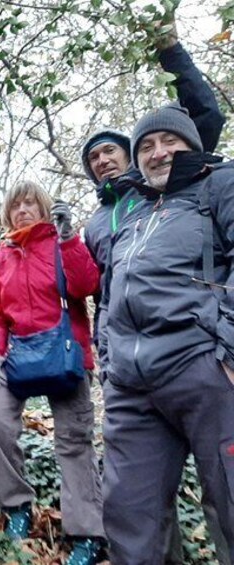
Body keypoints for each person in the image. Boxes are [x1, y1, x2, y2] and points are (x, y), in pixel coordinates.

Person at [79, 23, 228, 563]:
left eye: (170, 141)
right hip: (131, 381)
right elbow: (102, 287)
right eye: (149, 146)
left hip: (205, 367)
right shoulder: (116, 214)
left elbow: (204, 113)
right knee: (131, 515)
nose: (159, 152)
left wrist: (170, 51)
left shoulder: (215, 182)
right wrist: (110, 360)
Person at [0, 181, 103, 564]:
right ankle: (16, 507)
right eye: (16, 205)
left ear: (44, 208)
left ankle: (86, 533)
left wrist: (68, 239)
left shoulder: (60, 242)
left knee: (73, 440)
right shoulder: (3, 255)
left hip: (65, 354)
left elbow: (87, 285)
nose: (23, 211)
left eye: (31, 203)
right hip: (19, 356)